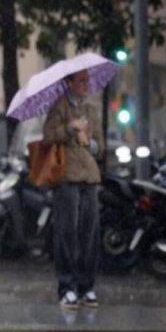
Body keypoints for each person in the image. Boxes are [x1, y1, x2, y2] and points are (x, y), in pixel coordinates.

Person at [42, 69, 104, 310]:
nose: (86, 84)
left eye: (88, 80)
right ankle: (66, 286)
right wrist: (69, 128)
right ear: (69, 83)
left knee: (90, 234)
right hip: (66, 177)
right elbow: (47, 137)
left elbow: (101, 146)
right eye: (81, 80)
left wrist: (90, 141)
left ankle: (87, 286)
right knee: (67, 233)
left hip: (89, 176)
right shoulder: (59, 107)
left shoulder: (91, 110)